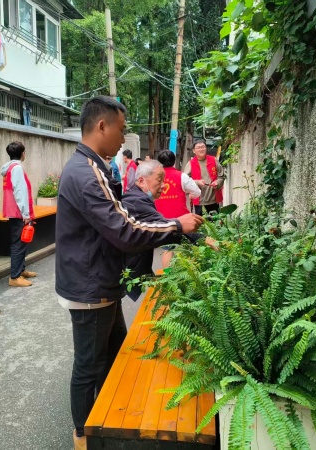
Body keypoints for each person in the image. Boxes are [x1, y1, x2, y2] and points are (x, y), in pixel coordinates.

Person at [55, 96, 204, 450]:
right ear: (101, 126)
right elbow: (124, 230)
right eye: (121, 129)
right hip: (90, 288)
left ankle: (107, 421)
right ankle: (83, 434)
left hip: (100, 283)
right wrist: (176, 225)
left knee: (114, 353)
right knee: (88, 365)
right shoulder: (87, 173)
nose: (124, 138)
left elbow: (120, 223)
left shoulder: (93, 167)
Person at [155, 150, 202, 267]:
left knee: (167, 249)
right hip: (183, 220)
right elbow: (197, 192)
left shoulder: (154, 178)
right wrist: (188, 194)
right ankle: (190, 273)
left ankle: (167, 274)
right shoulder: (182, 176)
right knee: (189, 248)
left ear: (159, 162)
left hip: (163, 220)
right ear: (174, 161)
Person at [0, 141, 36, 287]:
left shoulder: (9, 168)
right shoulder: (17, 168)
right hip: (18, 212)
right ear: (22, 154)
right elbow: (20, 192)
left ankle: (21, 270)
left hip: (14, 210)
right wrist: (26, 214)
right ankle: (15, 277)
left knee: (22, 241)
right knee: (18, 243)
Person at [184, 139, 224, 216]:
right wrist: (197, 182)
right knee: (200, 221)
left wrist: (218, 182)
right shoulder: (191, 164)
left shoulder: (213, 160)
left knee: (215, 220)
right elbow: (185, 180)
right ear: (194, 151)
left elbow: (221, 176)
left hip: (213, 198)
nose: (201, 149)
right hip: (198, 199)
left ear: (206, 148)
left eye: (203, 147)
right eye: (198, 147)